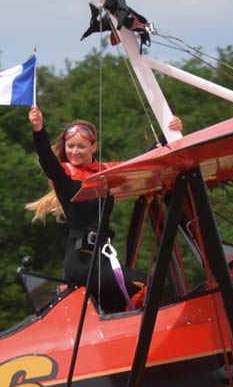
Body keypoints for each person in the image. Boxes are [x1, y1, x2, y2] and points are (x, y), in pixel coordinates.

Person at [25, 105, 181, 313]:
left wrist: (167, 133)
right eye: (70, 146)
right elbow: (46, 158)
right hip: (82, 261)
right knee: (150, 284)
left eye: (81, 146)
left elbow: (143, 162)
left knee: (116, 312)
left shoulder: (106, 172)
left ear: (93, 146)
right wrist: (38, 130)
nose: (74, 152)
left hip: (103, 258)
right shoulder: (64, 174)